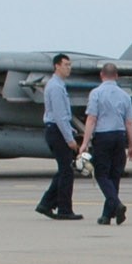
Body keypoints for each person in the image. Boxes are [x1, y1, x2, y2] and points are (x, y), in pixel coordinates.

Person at [75, 62, 132, 226]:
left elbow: (92, 119)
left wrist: (84, 143)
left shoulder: (96, 93)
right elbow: (129, 123)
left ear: (102, 75)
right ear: (116, 76)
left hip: (103, 137)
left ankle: (117, 205)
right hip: (119, 136)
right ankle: (107, 216)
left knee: (102, 175)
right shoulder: (125, 95)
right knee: (114, 176)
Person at [34, 53, 82, 221]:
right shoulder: (55, 87)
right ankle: (64, 209)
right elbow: (60, 115)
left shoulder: (57, 85)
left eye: (69, 64)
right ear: (57, 66)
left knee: (64, 170)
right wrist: (69, 138)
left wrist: (71, 131)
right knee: (66, 172)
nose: (69, 68)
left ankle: (46, 204)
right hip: (57, 132)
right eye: (66, 64)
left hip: (57, 130)